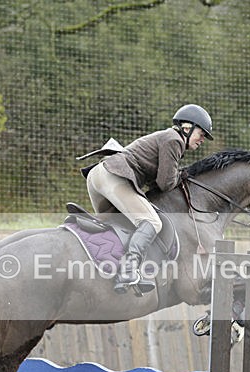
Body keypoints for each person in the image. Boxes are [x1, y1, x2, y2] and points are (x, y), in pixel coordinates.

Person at [84, 104, 213, 294]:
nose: (202, 140)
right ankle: (128, 271)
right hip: (113, 175)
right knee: (151, 221)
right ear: (187, 128)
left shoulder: (167, 137)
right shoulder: (174, 140)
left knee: (120, 227)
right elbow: (165, 183)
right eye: (201, 134)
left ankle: (110, 271)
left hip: (97, 176)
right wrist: (181, 175)